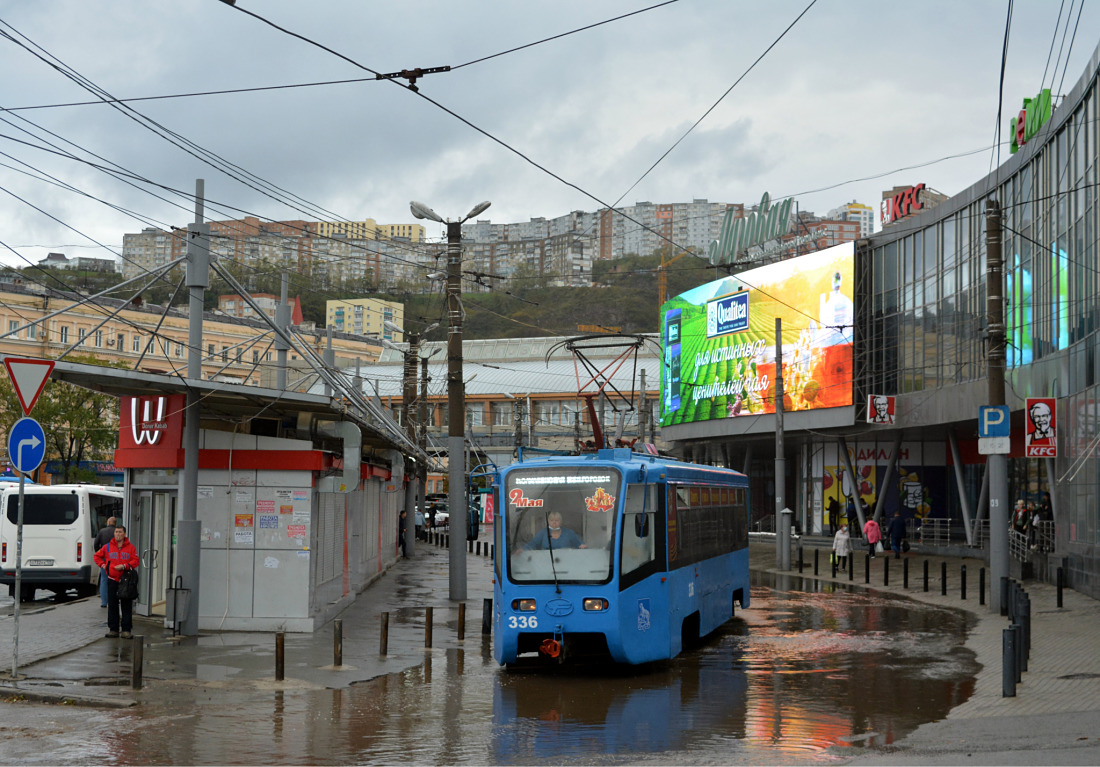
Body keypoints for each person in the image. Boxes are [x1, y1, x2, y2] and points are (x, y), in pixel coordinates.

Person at [93, 525, 138, 639]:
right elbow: (97, 556)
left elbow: (135, 561)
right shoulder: (107, 547)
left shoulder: (131, 548)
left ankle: (126, 630)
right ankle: (113, 629)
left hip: (125, 580)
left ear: (124, 534)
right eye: (116, 532)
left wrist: (124, 566)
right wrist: (104, 566)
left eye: (120, 532)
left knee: (126, 605)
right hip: (112, 579)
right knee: (112, 604)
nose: (118, 534)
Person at [521, 511, 586, 551]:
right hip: (546, 563)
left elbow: (579, 544)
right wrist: (523, 549)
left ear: (561, 522)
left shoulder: (569, 533)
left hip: (566, 562)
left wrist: (582, 546)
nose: (554, 523)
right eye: (551, 520)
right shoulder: (543, 533)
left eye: (557, 520)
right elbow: (533, 544)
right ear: (548, 522)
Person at [93, 516, 116, 609]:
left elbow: (95, 544)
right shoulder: (118, 532)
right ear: (115, 523)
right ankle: (114, 600)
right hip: (115, 558)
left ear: (108, 522)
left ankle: (104, 602)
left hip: (105, 559)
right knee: (115, 580)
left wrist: (99, 553)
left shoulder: (102, 531)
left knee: (104, 580)